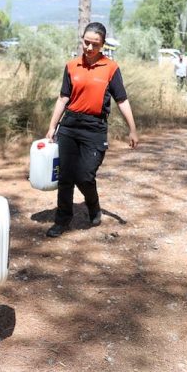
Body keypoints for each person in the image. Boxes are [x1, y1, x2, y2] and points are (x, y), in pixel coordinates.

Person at [44, 22, 138, 237]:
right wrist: (52, 127)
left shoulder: (111, 68)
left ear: (102, 44)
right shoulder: (71, 66)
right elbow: (63, 98)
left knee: (85, 175)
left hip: (95, 128)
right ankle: (62, 220)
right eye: (86, 42)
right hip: (69, 126)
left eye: (94, 44)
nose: (89, 48)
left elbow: (122, 100)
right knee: (66, 176)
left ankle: (93, 206)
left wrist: (132, 129)